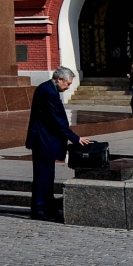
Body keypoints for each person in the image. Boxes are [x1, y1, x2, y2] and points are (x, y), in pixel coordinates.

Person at [25, 67, 90, 223]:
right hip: (43, 141)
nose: (68, 87)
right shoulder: (48, 92)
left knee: (47, 177)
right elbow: (57, 120)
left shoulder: (48, 88)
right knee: (43, 178)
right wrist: (75, 138)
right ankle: (40, 210)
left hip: (45, 141)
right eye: (67, 83)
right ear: (59, 79)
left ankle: (47, 208)